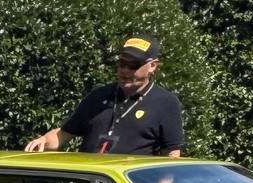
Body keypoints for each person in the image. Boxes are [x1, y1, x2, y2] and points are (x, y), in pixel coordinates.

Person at [26, 34, 184, 157]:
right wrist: (44, 141)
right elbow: (64, 134)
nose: (125, 70)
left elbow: (171, 153)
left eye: (133, 65)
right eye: (122, 63)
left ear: (152, 66)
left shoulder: (165, 102)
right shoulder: (98, 96)